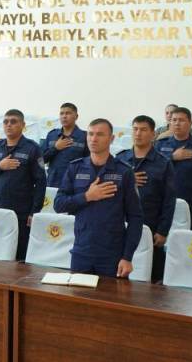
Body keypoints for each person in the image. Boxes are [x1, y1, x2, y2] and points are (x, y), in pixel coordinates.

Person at [55, 118, 143, 278]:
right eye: (90, 134)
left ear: (111, 139)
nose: (93, 139)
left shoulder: (124, 171)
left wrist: (127, 257)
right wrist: (87, 196)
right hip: (81, 251)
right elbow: (59, 205)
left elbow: (135, 217)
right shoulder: (75, 167)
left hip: (112, 255)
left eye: (100, 134)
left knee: (111, 295)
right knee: (78, 294)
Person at [0, 109, 47, 261]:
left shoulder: (32, 148)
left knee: (19, 254)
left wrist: (34, 211)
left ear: (23, 125)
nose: (8, 125)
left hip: (22, 211)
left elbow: (41, 182)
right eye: (5, 122)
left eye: (13, 122)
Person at [117, 115, 175, 248]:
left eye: (143, 130)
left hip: (150, 224)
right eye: (135, 129)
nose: (138, 133)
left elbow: (169, 200)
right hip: (120, 223)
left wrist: (163, 230)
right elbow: (108, 188)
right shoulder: (120, 159)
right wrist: (127, 181)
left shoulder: (163, 163)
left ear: (153, 134)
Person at [43, 103, 89, 187]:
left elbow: (89, 162)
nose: (64, 116)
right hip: (53, 182)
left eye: (68, 113)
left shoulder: (84, 137)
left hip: (75, 183)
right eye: (62, 113)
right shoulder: (52, 135)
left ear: (76, 116)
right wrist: (55, 148)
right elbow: (41, 160)